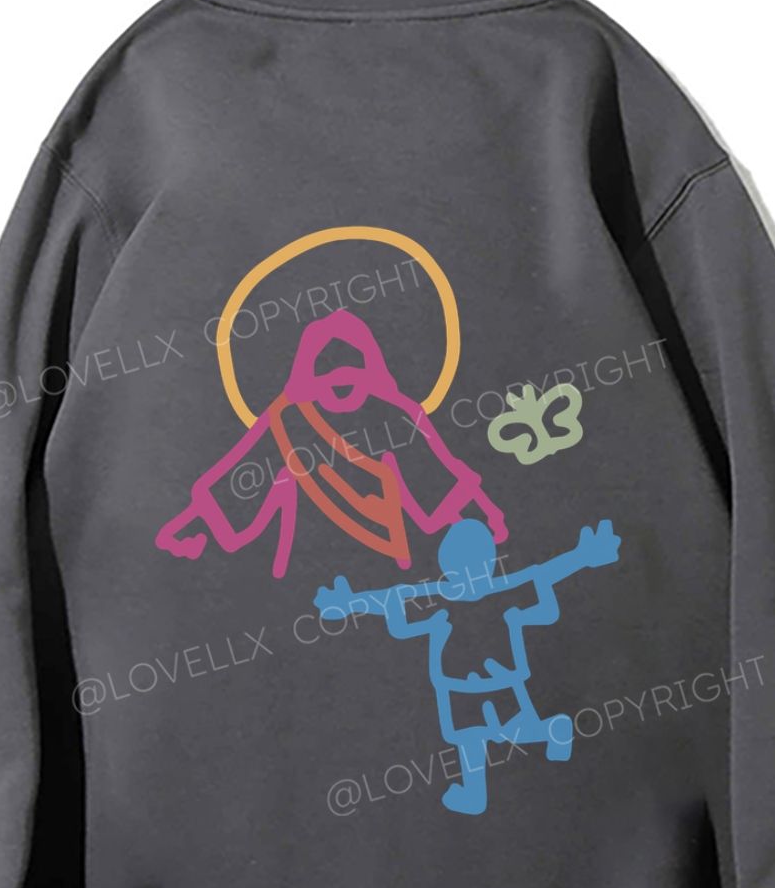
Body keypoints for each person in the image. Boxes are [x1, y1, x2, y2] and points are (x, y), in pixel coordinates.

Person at [156, 308, 507, 579]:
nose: (340, 386)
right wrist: (191, 525)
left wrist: (484, 515)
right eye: (327, 375)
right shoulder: (287, 421)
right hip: (304, 565)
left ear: (370, 370)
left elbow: (437, 482)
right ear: (307, 375)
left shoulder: (393, 415)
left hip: (381, 565)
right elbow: (241, 483)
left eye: (351, 374)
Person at [315, 517, 621, 814]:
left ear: (446, 565)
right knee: (511, 728)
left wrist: (350, 603)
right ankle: (551, 730)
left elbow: (392, 600)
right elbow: (544, 575)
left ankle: (477, 792)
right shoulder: (504, 592)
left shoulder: (441, 600)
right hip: (498, 681)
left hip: (462, 687)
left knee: (471, 740)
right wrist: (582, 557)